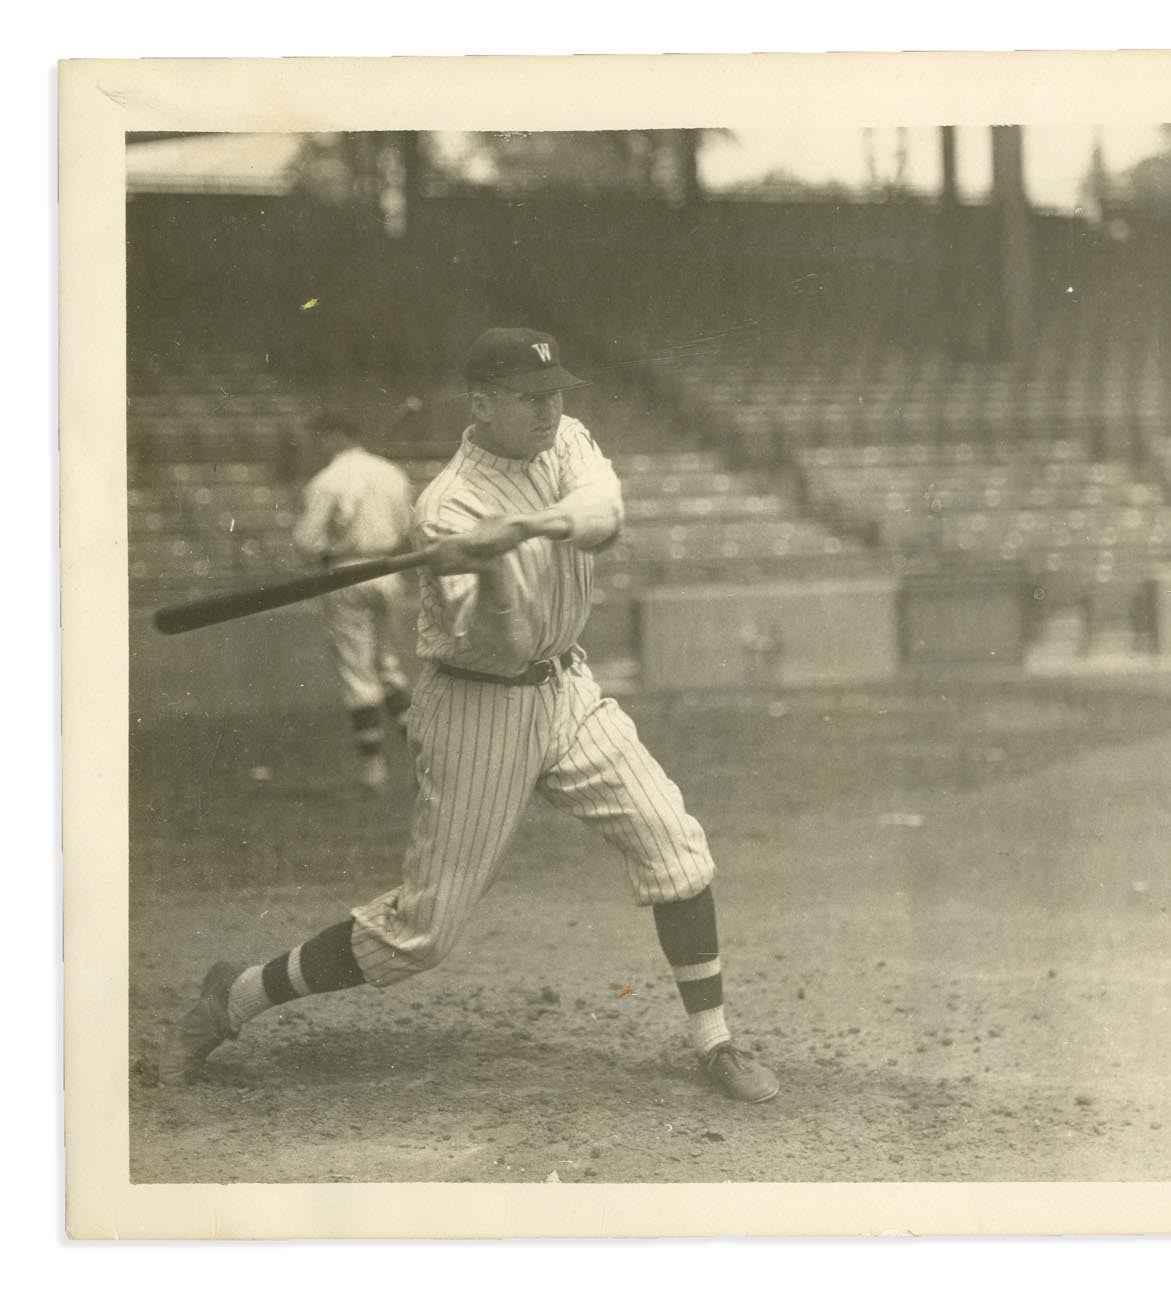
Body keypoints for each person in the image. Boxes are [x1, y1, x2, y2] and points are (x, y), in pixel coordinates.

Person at [167, 328, 779, 1103]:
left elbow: (606, 514)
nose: (550, 408)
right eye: (530, 397)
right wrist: (486, 569)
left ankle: (715, 1041)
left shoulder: (568, 441)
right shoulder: (447, 507)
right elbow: (509, 637)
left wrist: (526, 528)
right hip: (478, 706)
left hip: (569, 690)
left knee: (677, 846)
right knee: (419, 935)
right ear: (483, 403)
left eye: (555, 391)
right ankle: (237, 995)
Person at [290, 411, 415, 790]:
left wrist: (334, 544)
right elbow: (409, 529)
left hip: (345, 573)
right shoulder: (392, 473)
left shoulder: (327, 481)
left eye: (320, 436)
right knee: (388, 666)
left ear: (334, 435)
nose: (316, 445)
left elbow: (307, 543)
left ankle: (374, 769)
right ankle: (423, 761)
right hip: (389, 569)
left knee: (357, 671)